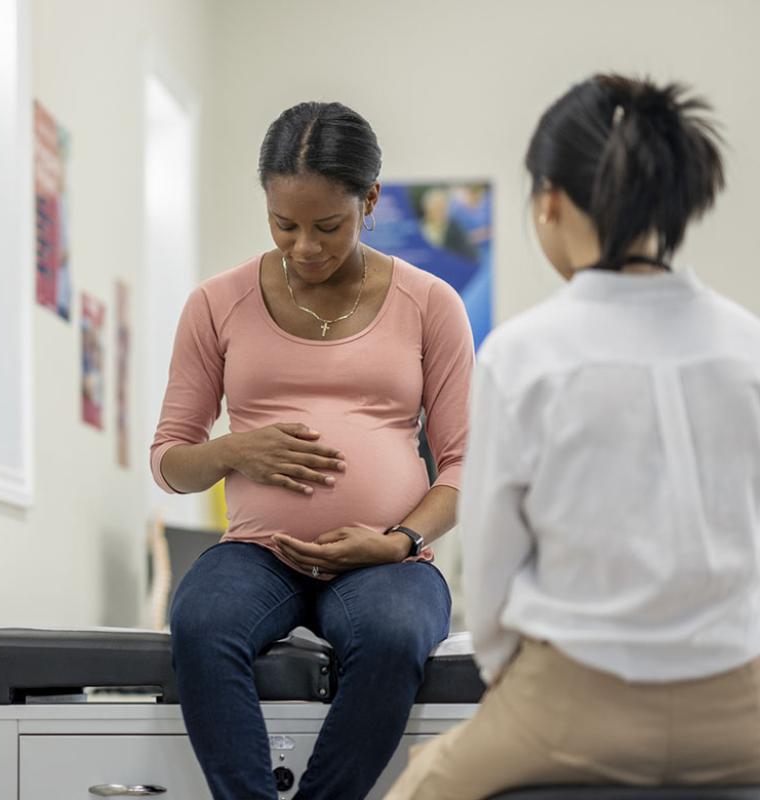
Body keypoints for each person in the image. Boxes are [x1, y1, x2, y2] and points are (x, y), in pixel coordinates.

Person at [388, 74, 760, 800]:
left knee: (417, 785)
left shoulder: (524, 354)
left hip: (574, 705)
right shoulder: (749, 347)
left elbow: (489, 583)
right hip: (741, 702)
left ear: (549, 200)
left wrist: (519, 687)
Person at [150, 101, 474, 799]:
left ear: (371, 201)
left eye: (329, 225)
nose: (305, 246)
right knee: (200, 622)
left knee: (392, 638)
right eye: (284, 224)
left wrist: (398, 539)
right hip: (259, 553)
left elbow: (462, 466)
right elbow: (171, 459)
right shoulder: (216, 303)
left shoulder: (432, 303)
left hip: (386, 561)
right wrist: (238, 449)